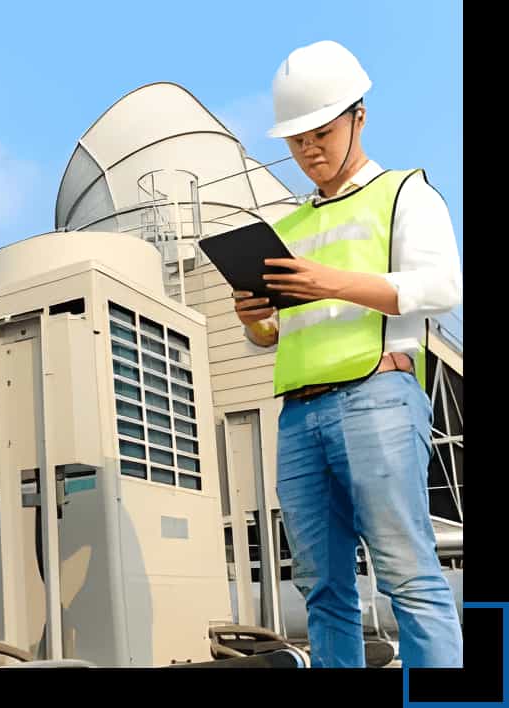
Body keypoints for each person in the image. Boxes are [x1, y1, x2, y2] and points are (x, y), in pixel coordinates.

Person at [233, 40, 463, 668]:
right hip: (300, 417)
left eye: (321, 132)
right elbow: (280, 335)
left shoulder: (403, 193)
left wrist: (326, 282)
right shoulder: (291, 227)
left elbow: (442, 288)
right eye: (297, 140)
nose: (309, 150)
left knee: (407, 574)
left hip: (378, 398)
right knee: (321, 587)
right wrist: (254, 322)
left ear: (359, 116)